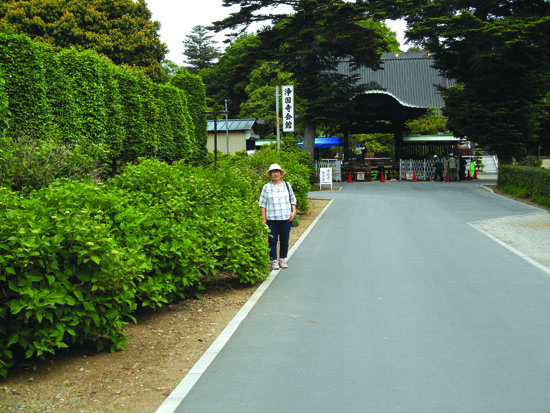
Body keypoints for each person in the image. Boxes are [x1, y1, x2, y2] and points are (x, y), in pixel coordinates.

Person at [259, 163, 297, 270]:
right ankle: (274, 261)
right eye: (273, 172)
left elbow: (293, 199)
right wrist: (263, 218)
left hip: (286, 217)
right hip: (272, 218)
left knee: (284, 239)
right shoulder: (266, 187)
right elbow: (262, 203)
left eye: (277, 172)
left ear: (280, 173)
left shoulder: (287, 185)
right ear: (270, 174)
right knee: (272, 240)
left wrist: (293, 211)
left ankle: (283, 259)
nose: (275, 174)